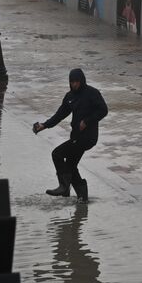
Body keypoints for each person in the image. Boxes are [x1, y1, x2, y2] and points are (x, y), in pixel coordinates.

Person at [32, 68, 108, 201]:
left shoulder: (92, 93)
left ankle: (64, 186)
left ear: (82, 81)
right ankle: (82, 197)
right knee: (71, 166)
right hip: (76, 137)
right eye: (72, 82)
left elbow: (103, 110)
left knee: (57, 154)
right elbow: (60, 114)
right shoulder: (70, 97)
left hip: (88, 138)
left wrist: (87, 121)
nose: (74, 84)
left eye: (77, 82)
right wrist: (44, 125)